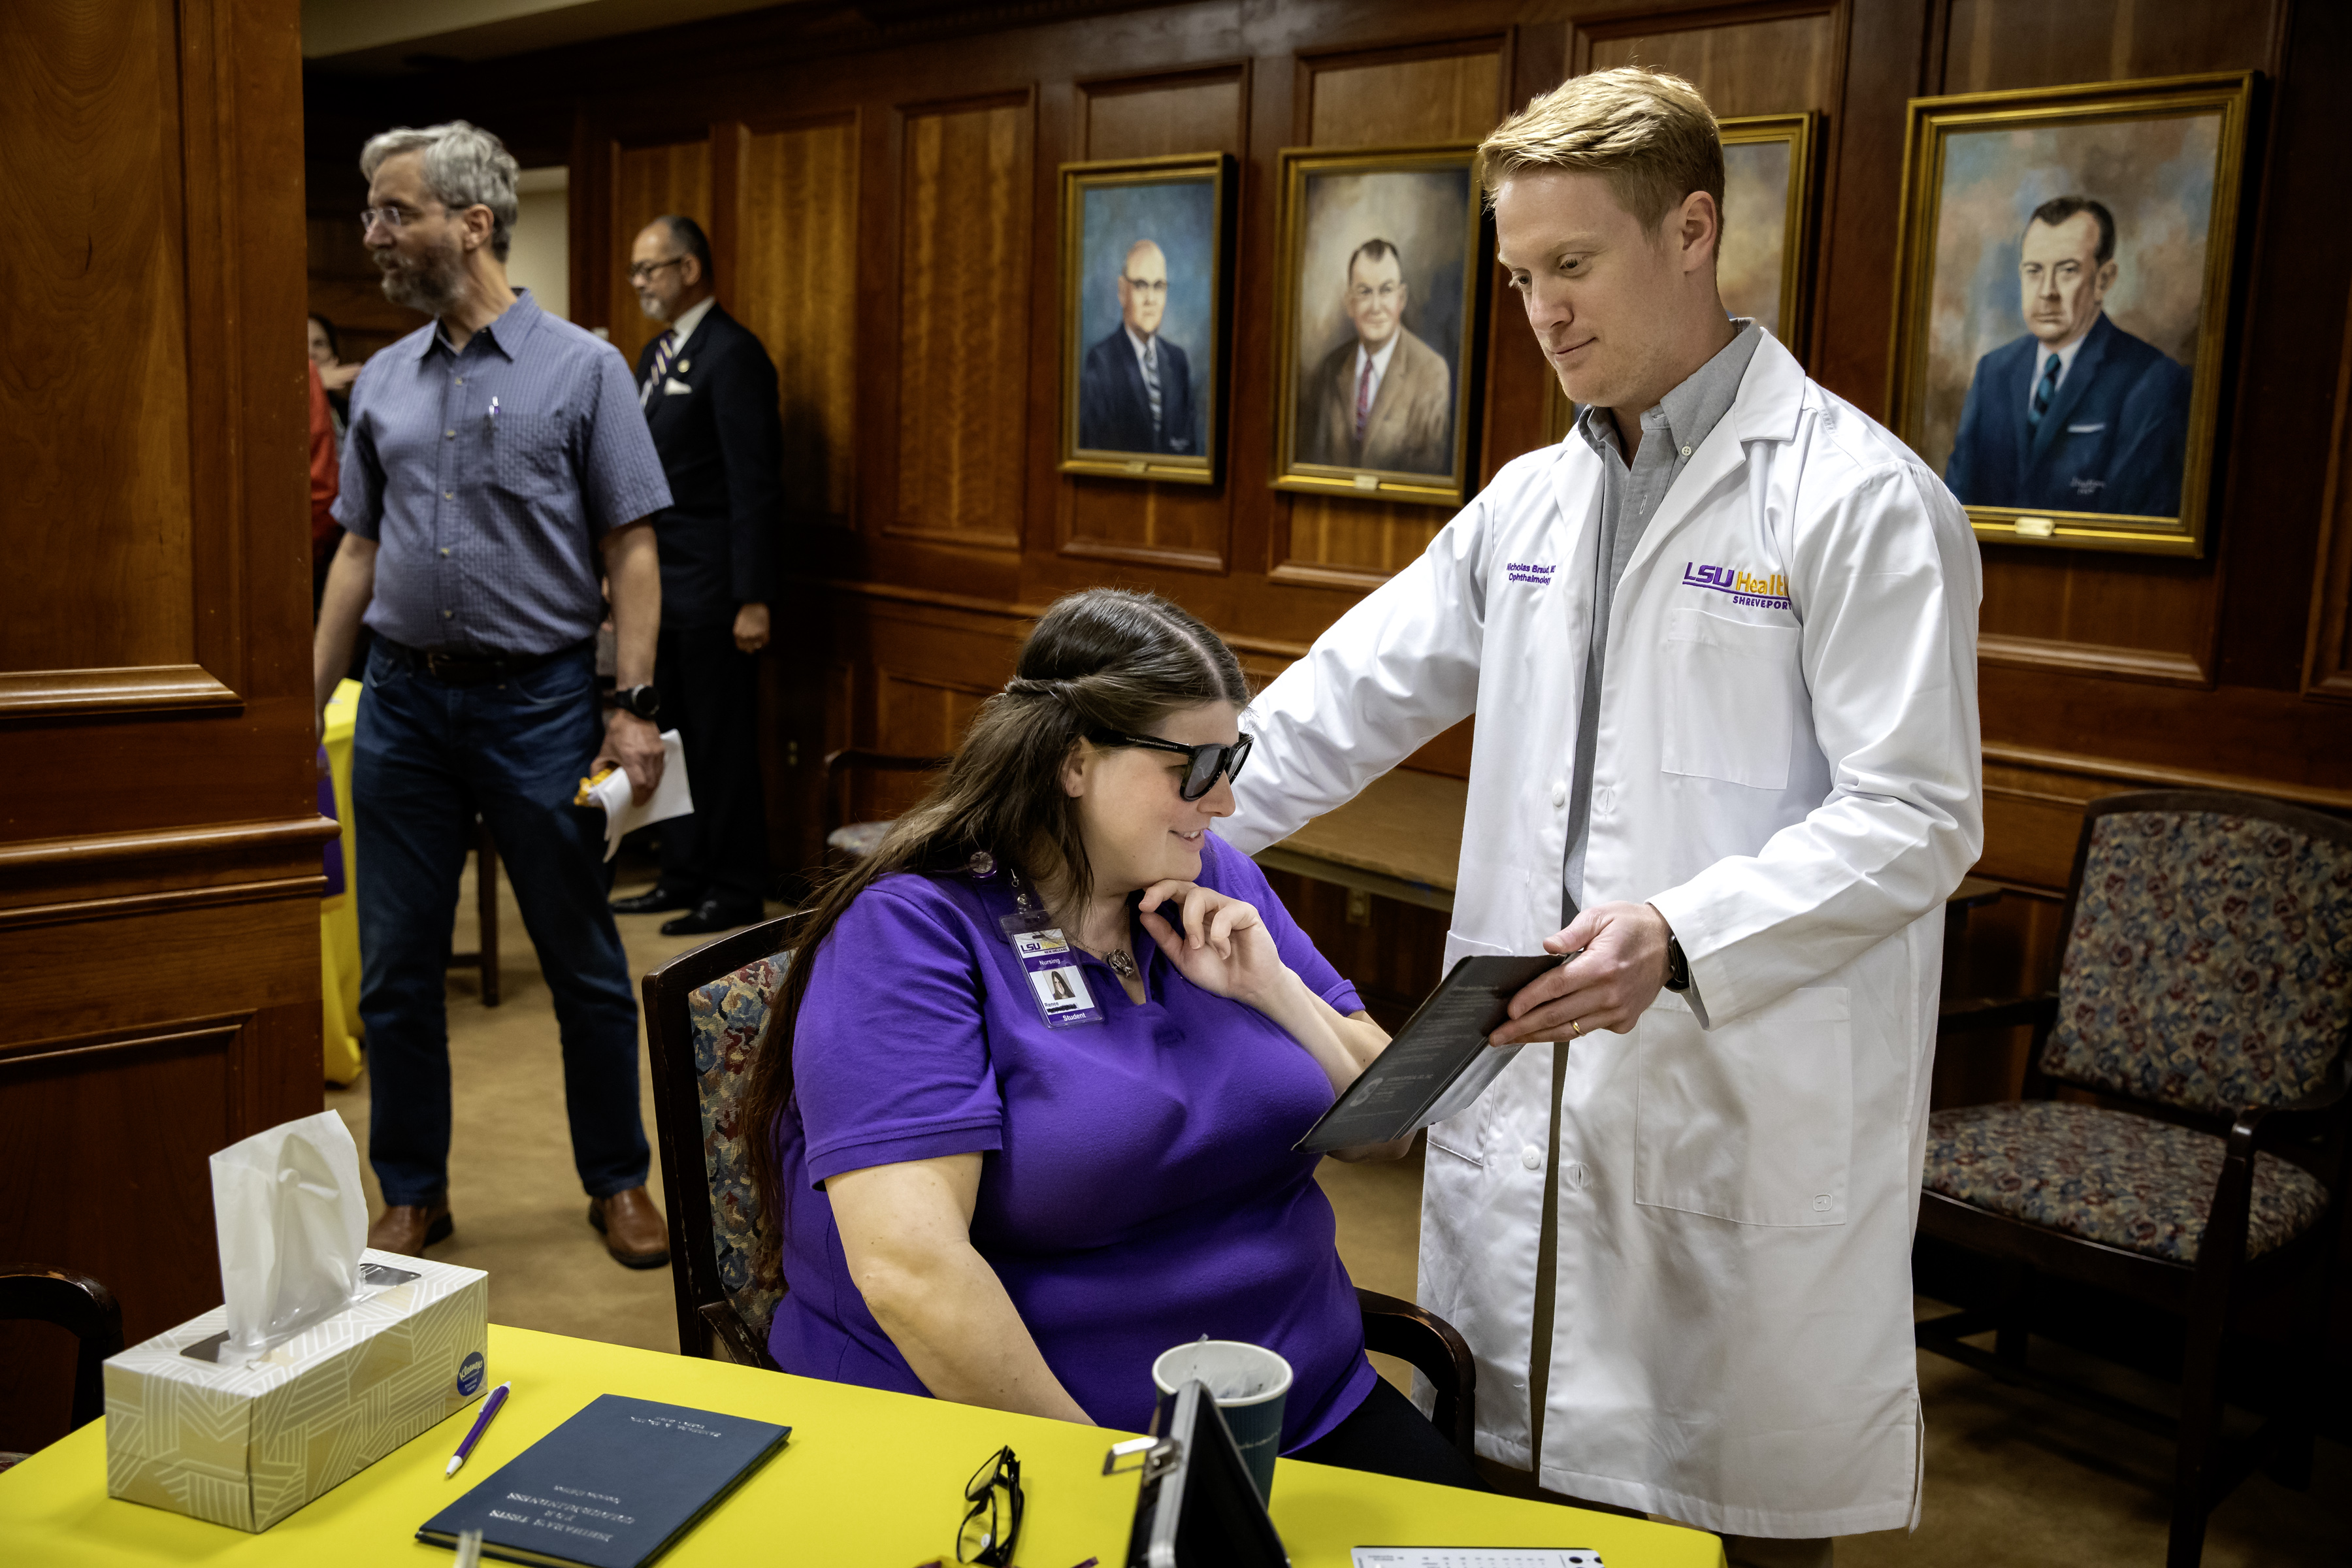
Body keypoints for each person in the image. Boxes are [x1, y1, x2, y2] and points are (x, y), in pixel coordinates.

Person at [1220, 68, 1982, 1567]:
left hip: (1734, 1094)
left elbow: (1919, 811)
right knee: (1516, 1492)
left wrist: (1682, 930)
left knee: (1727, 1518)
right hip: (1532, 1088)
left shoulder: (1855, 497)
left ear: (1693, 229)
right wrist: (1163, 807)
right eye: (1517, 278)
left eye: (1572, 266)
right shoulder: (1526, 504)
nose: (1542, 312)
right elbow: (1345, 695)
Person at [738, 588, 1484, 1490]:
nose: (1228, 797)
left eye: (1234, 756)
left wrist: (1276, 991)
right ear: (1071, 761)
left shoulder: (1218, 880)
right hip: (1045, 1446)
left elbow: (1389, 1129)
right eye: (1197, 763)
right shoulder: (911, 934)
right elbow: (911, 1271)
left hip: (1304, 1410)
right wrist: (1119, 1483)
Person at [312, 120, 678, 1271]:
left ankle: (618, 1179)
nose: (373, 233)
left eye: (394, 211)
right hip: (404, 712)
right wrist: (298, 702)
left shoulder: (586, 370)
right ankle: (413, 1193)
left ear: (472, 223)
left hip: (541, 708)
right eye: (372, 212)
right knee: (396, 970)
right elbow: (358, 556)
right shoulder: (380, 383)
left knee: (580, 959)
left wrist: (633, 702)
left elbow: (632, 552)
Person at [605, 214, 785, 937]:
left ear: (691, 269)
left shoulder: (733, 353)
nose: (641, 283)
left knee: (720, 744)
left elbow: (755, 485)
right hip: (660, 590)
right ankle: (679, 875)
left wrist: (754, 596)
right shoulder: (655, 353)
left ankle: (734, 886)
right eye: (636, 272)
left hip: (716, 589)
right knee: (668, 738)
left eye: (651, 269)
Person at [1943, 195, 2192, 517]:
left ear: (2104, 280)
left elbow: (2136, 520)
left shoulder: (2154, 381)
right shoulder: (1994, 371)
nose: (2047, 291)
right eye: (2034, 271)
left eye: (2067, 271)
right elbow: (1955, 504)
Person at [1297, 238, 1452, 474]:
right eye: (1365, 292)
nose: (1376, 306)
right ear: (1350, 303)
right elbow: (1316, 463)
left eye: (1386, 290)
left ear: (1402, 298)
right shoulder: (1332, 367)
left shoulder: (1431, 372)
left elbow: (1428, 474)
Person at [1075, 240, 1199, 455]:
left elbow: (1189, 450)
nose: (1151, 299)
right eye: (1141, 285)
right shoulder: (1101, 361)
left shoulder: (1177, 361)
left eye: (1159, 286)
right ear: (1123, 291)